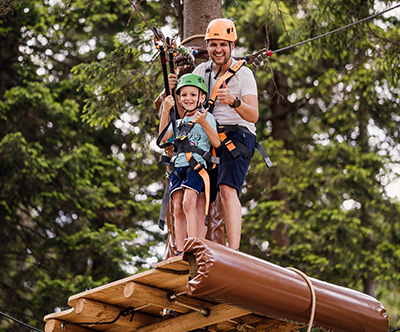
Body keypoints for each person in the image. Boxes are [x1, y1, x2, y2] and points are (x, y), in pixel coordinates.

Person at [169, 18, 259, 251]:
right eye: (213, 44)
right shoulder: (201, 70)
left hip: (237, 136)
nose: (218, 49)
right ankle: (195, 245)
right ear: (207, 46)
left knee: (227, 189)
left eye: (223, 44)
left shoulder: (244, 75)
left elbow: (253, 115)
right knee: (196, 189)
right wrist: (174, 89)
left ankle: (235, 250)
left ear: (232, 46)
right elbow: (186, 110)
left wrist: (234, 101)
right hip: (205, 136)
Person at [159, 73, 220, 254]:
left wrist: (203, 122)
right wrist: (165, 110)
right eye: (184, 95)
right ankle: (179, 251)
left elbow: (216, 143)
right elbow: (163, 139)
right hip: (178, 167)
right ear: (179, 98)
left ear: (202, 97)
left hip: (196, 166)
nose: (188, 99)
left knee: (188, 202)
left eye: (193, 95)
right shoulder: (177, 123)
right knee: (177, 208)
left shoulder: (207, 118)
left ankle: (193, 245)